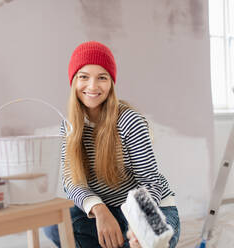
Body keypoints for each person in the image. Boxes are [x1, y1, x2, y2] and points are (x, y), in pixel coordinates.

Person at [44, 41, 180, 248]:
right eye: (84, 77)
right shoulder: (68, 126)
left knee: (150, 242)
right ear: (73, 81)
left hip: (150, 208)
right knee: (55, 226)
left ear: (111, 83)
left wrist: (139, 224)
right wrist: (99, 209)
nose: (92, 86)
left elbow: (150, 183)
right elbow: (72, 182)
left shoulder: (129, 121)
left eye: (102, 78)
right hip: (106, 211)